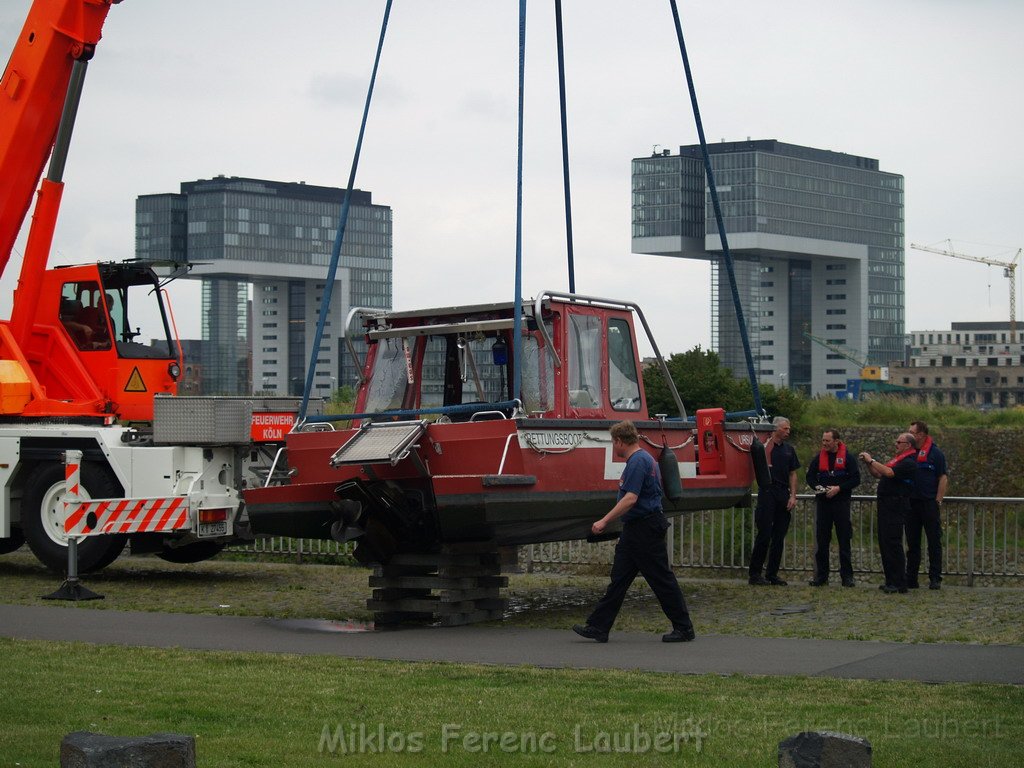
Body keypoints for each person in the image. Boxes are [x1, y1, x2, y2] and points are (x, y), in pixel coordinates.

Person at [572, 421, 696, 643]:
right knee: (619, 579)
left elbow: (631, 498)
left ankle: (684, 627)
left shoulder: (638, 461)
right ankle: (599, 627)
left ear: (620, 441)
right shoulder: (643, 459)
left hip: (644, 528)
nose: (613, 446)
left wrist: (604, 521)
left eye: (613, 442)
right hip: (636, 529)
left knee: (661, 579)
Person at [859, 434, 917, 594]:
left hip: (896, 505)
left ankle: (899, 582)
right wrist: (868, 464)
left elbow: (890, 473)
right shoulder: (897, 459)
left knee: (893, 542)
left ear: (908, 445)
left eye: (899, 442)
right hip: (886, 505)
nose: (896, 444)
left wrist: (872, 460)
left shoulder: (909, 462)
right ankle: (890, 579)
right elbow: (879, 474)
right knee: (885, 543)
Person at [806, 429, 861, 587]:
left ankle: (847, 577)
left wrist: (839, 488)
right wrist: (819, 488)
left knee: (844, 541)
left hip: (841, 503)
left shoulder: (848, 458)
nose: (824, 444)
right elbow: (810, 476)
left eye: (827, 441)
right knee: (822, 541)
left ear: (836, 441)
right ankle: (821, 577)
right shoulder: (819, 458)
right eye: (823, 440)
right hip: (824, 503)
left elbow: (856, 479)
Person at [749, 416, 799, 586]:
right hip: (767, 491)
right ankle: (755, 574)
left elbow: (793, 473)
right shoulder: (764, 446)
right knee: (764, 534)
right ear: (776, 428)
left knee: (779, 536)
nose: (788, 431)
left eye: (789, 429)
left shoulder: (789, 450)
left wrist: (793, 495)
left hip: (783, 493)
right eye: (785, 428)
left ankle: (772, 573)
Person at [905, 421, 948, 590]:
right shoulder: (909, 453)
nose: (908, 434)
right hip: (911, 504)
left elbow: (942, 478)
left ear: (921, 434)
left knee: (934, 542)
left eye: (911, 432)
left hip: (929, 503)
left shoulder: (935, 453)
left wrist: (938, 499)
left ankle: (935, 578)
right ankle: (911, 578)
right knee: (913, 543)